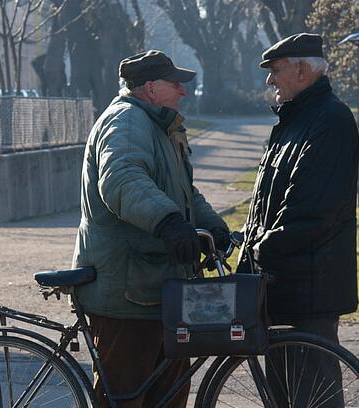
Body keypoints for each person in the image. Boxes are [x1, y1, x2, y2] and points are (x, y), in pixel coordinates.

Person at [72, 50, 229, 408]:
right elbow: (122, 181)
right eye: (176, 84)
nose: (183, 92)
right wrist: (169, 223)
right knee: (126, 396)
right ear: (150, 88)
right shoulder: (127, 122)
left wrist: (213, 228)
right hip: (127, 289)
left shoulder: (159, 125)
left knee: (169, 394)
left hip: (157, 286)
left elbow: (183, 193)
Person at [238, 33, 359, 407]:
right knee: (286, 397)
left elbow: (311, 210)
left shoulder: (329, 121)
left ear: (303, 70)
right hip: (284, 286)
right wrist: (245, 239)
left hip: (310, 290)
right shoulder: (295, 121)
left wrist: (259, 248)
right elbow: (269, 203)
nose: (269, 80)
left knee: (311, 398)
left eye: (276, 70)